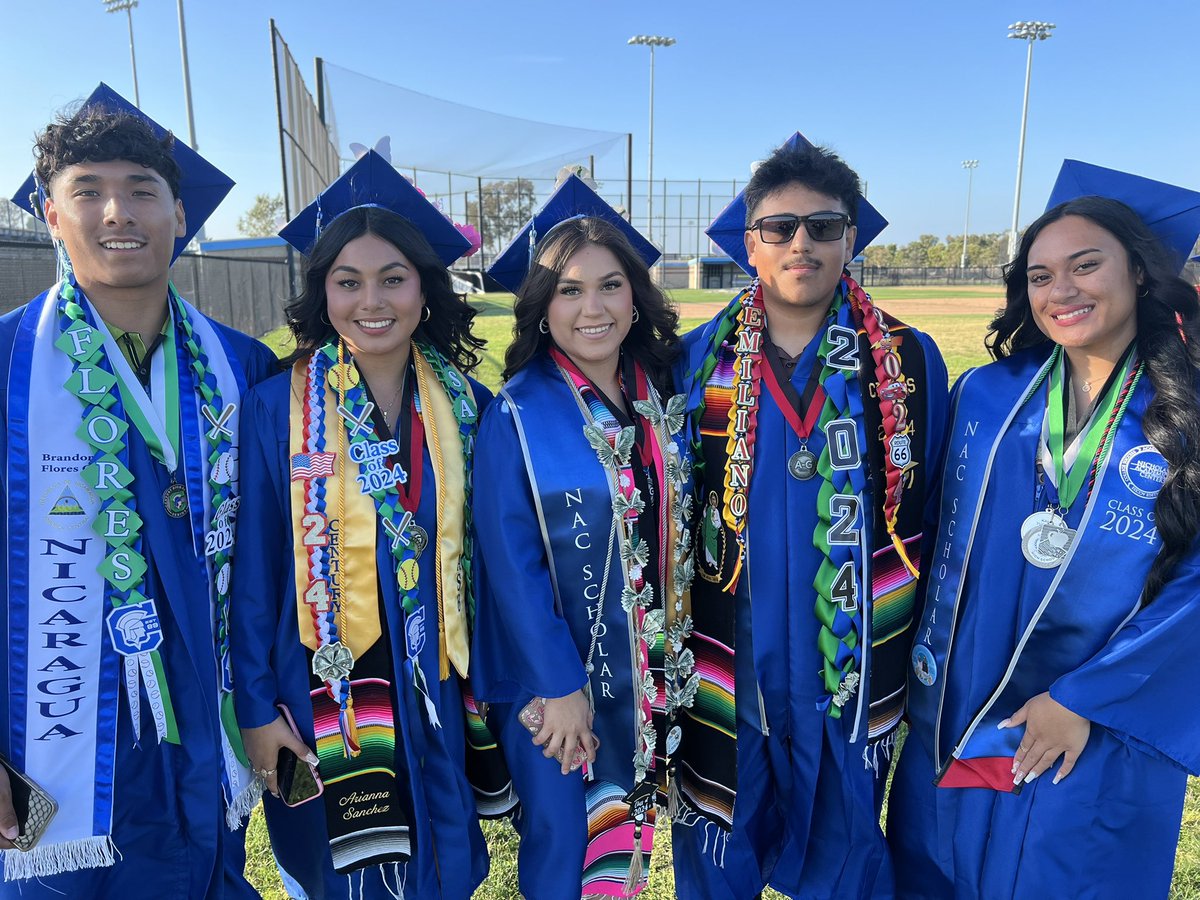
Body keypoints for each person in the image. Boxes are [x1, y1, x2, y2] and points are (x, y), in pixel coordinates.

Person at [890, 162, 1200, 899]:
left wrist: (1085, 699)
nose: (1061, 290)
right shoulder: (987, 397)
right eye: (1039, 275)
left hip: (1095, 732)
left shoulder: (1185, 417)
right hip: (957, 714)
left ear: (1140, 273)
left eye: (1085, 265)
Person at [0, 84, 275, 896]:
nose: (117, 212)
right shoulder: (8, 367)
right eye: (87, 192)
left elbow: (274, 560)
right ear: (51, 217)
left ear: (180, 216)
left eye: (141, 191)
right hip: (51, 722)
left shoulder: (241, 368)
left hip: (204, 715)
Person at [673, 134, 949, 899]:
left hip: (854, 666)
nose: (803, 243)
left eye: (824, 226)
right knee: (716, 854)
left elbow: (925, 515)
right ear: (749, 244)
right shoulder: (694, 361)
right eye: (780, 228)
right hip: (727, 665)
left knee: (849, 853)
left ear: (850, 238)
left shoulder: (910, 362)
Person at [230, 149, 502, 898]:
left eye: (393, 278)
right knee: (333, 869)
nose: (370, 301)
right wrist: (255, 710)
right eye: (347, 282)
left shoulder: (470, 405)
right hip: (319, 681)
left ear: (423, 289)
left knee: (441, 860)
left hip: (442, 677)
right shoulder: (272, 408)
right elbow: (251, 577)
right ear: (323, 293)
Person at [471, 174, 696, 898]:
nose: (591, 308)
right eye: (568, 291)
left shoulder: (659, 393)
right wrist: (560, 686)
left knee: (628, 833)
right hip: (558, 683)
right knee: (563, 841)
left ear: (636, 297)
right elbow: (511, 566)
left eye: (610, 286)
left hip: (649, 671)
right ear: (542, 308)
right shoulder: (519, 412)